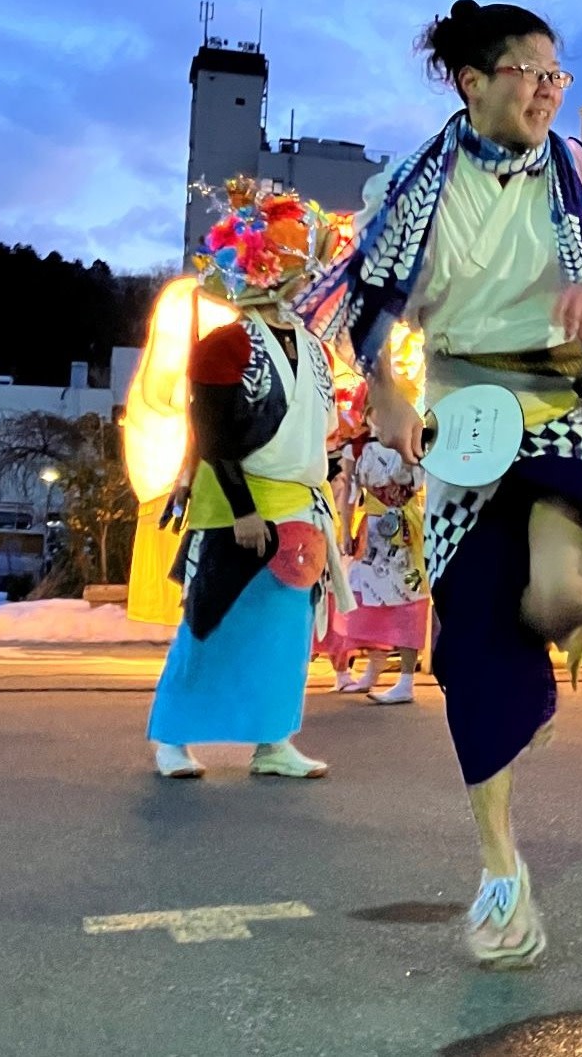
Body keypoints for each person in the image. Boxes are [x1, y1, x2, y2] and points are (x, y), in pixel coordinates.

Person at [297, 0, 582, 969]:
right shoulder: (412, 187)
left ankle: (562, 641)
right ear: (472, 82)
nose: (549, 90)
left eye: (558, 73)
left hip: (562, 404)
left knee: (561, 594)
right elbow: (370, 310)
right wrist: (387, 390)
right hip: (466, 422)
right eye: (529, 72)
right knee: (476, 652)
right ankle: (499, 869)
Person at [146, 181, 353, 781]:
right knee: (210, 623)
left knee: (284, 633)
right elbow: (212, 432)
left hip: (301, 506)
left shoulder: (315, 347)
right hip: (238, 504)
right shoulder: (224, 344)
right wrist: (242, 508)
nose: (307, 279)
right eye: (296, 265)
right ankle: (172, 738)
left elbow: (322, 429)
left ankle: (274, 740)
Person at [325, 433, 430, 705]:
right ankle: (373, 669)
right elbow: (349, 492)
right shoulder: (357, 447)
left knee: (410, 602)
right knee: (366, 599)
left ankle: (406, 679)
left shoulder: (415, 439)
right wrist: (346, 531)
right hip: (373, 530)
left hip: (408, 530)